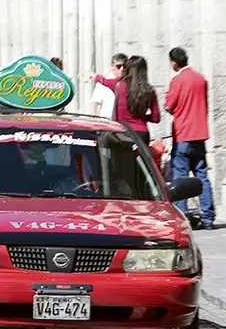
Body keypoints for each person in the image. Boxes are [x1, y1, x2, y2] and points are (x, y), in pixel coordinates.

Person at [164, 46, 215, 230]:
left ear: (174, 63)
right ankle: (208, 217)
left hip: (183, 133)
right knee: (202, 175)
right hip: (199, 133)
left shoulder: (177, 80)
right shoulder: (200, 79)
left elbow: (169, 105)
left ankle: (182, 216)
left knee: (180, 177)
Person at [91, 55, 159, 144]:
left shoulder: (119, 85)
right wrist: (141, 117)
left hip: (123, 133)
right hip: (142, 133)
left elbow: (104, 81)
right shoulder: (150, 90)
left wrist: (94, 75)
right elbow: (156, 118)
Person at [91, 53, 128, 119]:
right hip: (107, 120)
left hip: (124, 121)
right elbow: (95, 102)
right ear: (112, 66)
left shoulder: (128, 81)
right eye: (119, 66)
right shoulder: (104, 80)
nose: (122, 69)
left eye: (124, 66)